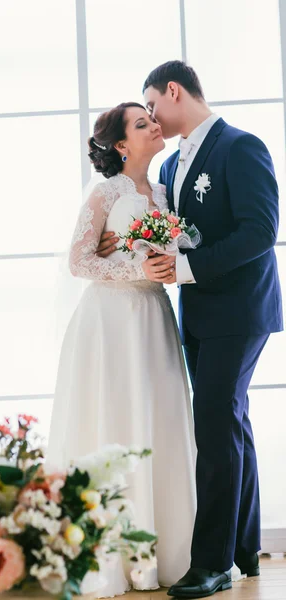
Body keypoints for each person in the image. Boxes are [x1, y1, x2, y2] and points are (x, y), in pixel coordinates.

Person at [97, 61, 283, 599]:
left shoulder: (240, 147)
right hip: (198, 314)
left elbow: (260, 231)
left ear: (173, 91)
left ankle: (212, 563)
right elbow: (167, 232)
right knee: (231, 422)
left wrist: (185, 270)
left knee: (215, 429)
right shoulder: (172, 167)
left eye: (152, 105)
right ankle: (245, 548)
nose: (152, 118)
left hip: (241, 311)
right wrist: (125, 245)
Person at [47, 102, 196, 592]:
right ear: (121, 145)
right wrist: (136, 269)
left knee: (160, 423)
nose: (154, 125)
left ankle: (165, 554)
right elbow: (78, 260)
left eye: (152, 119)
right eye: (141, 123)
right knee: (113, 419)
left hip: (153, 317)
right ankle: (109, 557)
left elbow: (172, 252)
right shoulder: (106, 191)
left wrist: (162, 266)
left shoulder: (166, 190)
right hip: (110, 320)